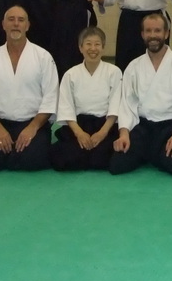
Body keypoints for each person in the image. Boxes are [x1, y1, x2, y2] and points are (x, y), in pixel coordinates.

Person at [110, 13, 172, 176]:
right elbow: (127, 104)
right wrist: (124, 134)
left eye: (157, 31)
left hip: (171, 127)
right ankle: (153, 153)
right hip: (143, 127)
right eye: (148, 31)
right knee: (117, 165)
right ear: (142, 34)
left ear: (166, 33)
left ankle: (150, 154)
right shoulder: (134, 66)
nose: (153, 35)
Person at [0, 5, 59, 172]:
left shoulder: (43, 57)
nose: (16, 24)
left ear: (27, 26)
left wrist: (33, 127)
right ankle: (8, 152)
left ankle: (12, 153)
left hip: (33, 123)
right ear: (3, 25)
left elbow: (51, 97)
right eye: (11, 19)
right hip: (2, 123)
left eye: (21, 20)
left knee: (32, 160)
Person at [51, 26, 121, 172]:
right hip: (79, 125)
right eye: (88, 44)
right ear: (80, 47)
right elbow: (66, 107)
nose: (93, 49)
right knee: (62, 158)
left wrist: (102, 133)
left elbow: (116, 106)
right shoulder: (70, 74)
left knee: (104, 158)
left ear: (103, 47)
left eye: (97, 44)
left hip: (105, 125)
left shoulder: (114, 72)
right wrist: (79, 133)